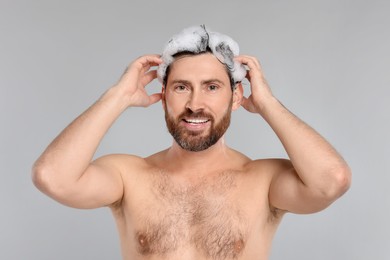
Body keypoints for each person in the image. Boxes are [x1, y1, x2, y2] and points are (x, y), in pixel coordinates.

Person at [32, 25, 351, 260]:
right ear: (164, 96)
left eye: (212, 87)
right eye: (182, 87)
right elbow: (52, 177)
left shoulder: (262, 181)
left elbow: (331, 181)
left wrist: (268, 104)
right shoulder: (129, 176)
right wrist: (117, 97)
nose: (195, 103)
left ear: (236, 96)